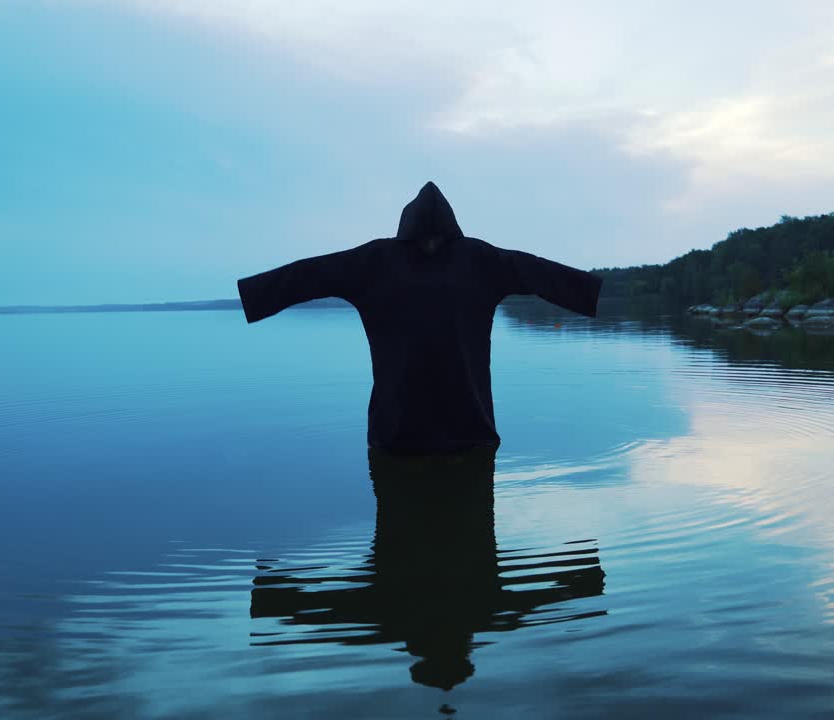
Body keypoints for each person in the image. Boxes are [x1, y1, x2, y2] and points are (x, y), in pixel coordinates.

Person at [237, 181, 602, 455]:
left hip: (444, 434)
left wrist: (257, 295)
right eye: (423, 241)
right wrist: (257, 294)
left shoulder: (464, 260)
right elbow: (311, 274)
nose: (430, 247)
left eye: (437, 241)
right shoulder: (398, 261)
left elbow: (533, 270)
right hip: (417, 434)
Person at [249, 448, 607, 691]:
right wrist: (580, 584)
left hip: (401, 451)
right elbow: (548, 598)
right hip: (467, 451)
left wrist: (279, 604)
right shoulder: (482, 613)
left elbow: (320, 614)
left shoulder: (389, 619)